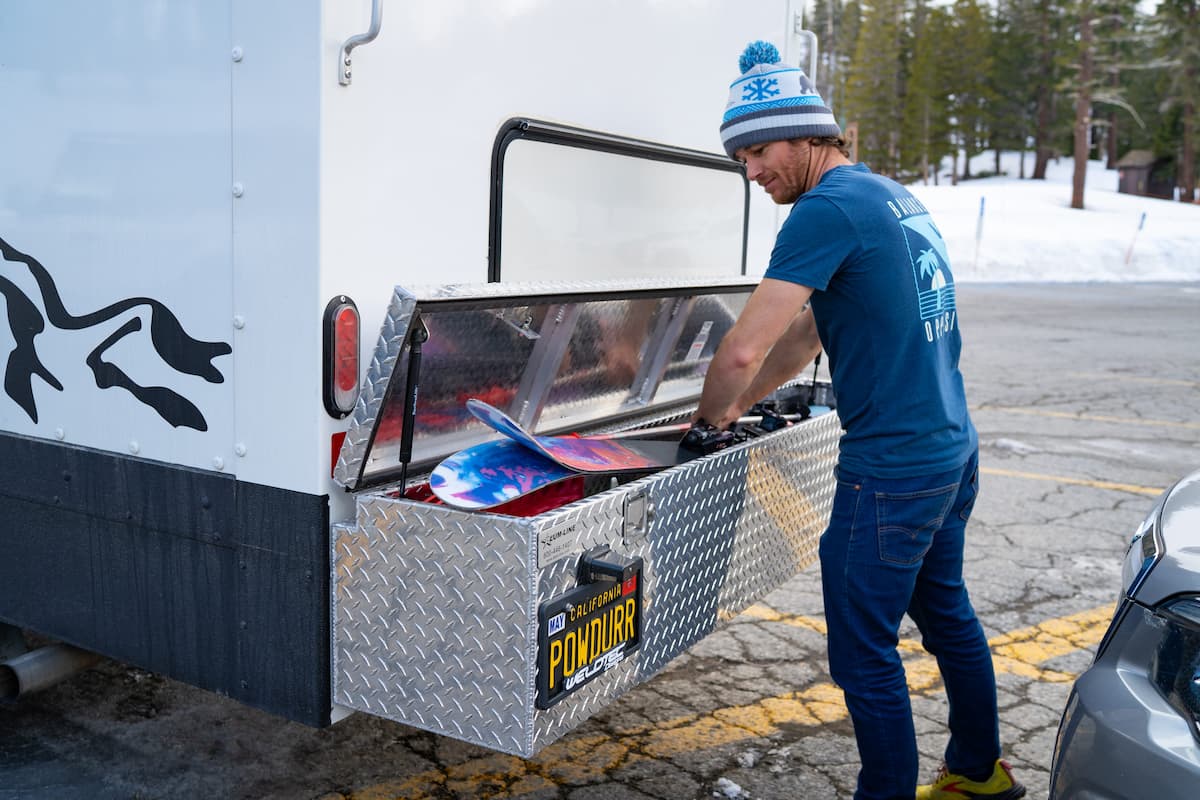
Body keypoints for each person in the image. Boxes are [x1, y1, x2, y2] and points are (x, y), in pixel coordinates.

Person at [693, 41, 1026, 800]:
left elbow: (743, 348)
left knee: (863, 651)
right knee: (946, 614)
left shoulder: (824, 210)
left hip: (892, 472)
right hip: (950, 450)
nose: (751, 171)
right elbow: (808, 335)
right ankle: (979, 775)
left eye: (759, 151)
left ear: (807, 136)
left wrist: (705, 423)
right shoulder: (886, 196)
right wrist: (738, 408)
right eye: (741, 158)